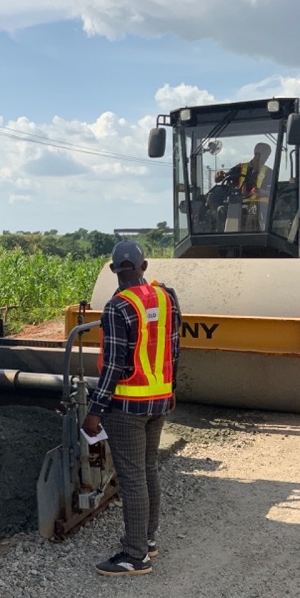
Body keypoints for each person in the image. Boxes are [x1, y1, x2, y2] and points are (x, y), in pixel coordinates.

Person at [82, 241, 181, 576]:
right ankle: (148, 540)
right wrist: (172, 390)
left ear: (113, 270)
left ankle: (135, 554)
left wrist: (95, 410)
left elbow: (113, 366)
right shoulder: (167, 298)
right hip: (159, 400)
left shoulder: (117, 307)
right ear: (145, 266)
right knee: (148, 468)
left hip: (127, 405)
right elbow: (174, 348)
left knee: (133, 476)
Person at [213, 142, 274, 231]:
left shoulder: (269, 173)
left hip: (260, 206)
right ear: (257, 154)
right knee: (221, 209)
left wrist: (262, 192)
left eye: (267, 156)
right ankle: (218, 235)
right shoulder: (239, 168)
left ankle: (253, 237)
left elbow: (273, 191)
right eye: (266, 155)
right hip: (237, 203)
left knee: (254, 209)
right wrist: (219, 176)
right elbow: (223, 178)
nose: (266, 158)